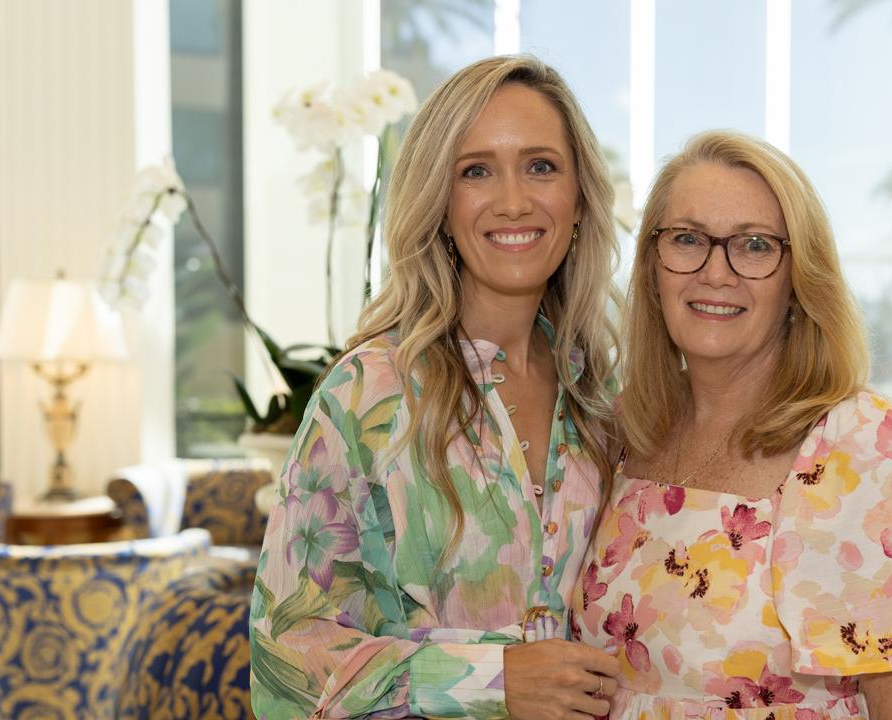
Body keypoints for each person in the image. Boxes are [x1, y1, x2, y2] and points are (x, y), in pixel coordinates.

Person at [571, 131, 892, 719]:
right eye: (688, 239)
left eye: (754, 245)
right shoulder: (622, 431)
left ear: (800, 278)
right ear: (651, 267)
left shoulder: (863, 449)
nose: (716, 272)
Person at [250, 55, 622, 720]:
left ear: (579, 196)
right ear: (440, 202)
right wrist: (491, 682)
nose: (514, 199)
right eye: (475, 170)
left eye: (541, 165)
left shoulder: (600, 398)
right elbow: (287, 658)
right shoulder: (369, 393)